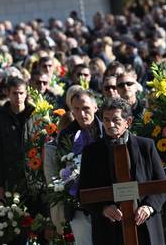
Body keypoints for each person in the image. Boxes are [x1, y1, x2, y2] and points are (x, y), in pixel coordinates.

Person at [79, 97, 166, 245]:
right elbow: (84, 193)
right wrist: (103, 208)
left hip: (144, 224)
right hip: (109, 228)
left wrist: (149, 207)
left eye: (115, 120)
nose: (110, 124)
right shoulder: (91, 152)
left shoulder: (146, 146)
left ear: (128, 122)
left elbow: (162, 186)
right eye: (106, 120)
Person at [52, 90, 104, 245]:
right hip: (78, 204)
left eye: (86, 108)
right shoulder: (66, 134)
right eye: (76, 109)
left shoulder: (106, 130)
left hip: (105, 201)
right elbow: (60, 167)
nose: (81, 114)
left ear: (95, 107)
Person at [0, 77, 34, 245]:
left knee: (37, 226)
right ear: (8, 93)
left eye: (22, 93)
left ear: (27, 92)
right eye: (14, 93)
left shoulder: (34, 114)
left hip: (34, 179)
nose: (18, 97)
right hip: (11, 181)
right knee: (16, 228)